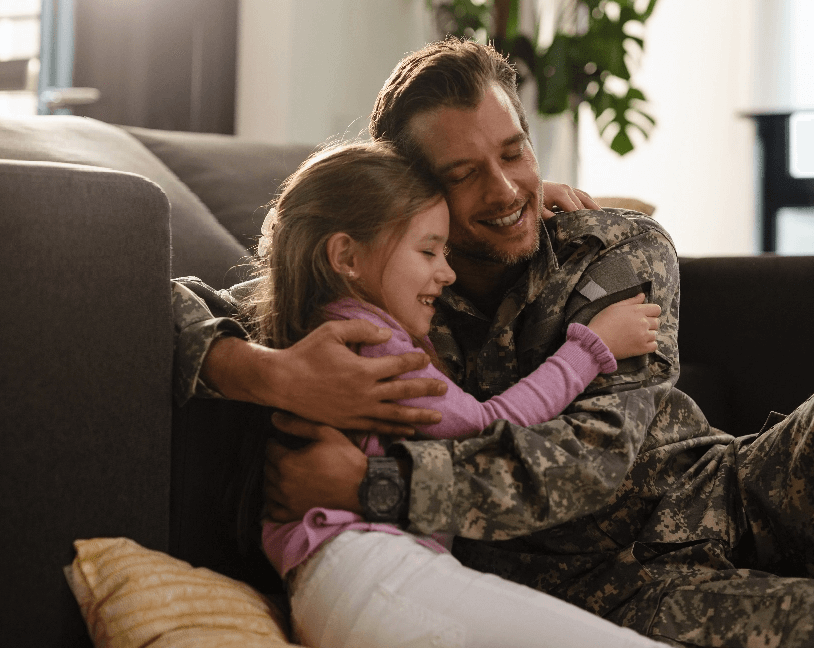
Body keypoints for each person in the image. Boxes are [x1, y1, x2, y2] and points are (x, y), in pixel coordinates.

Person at [174, 39, 814, 646]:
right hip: (611, 589)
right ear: (415, 192)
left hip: (727, 496)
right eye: (464, 174)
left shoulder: (616, 247)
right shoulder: (382, 296)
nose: (506, 190)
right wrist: (271, 376)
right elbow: (162, 303)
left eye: (514, 154)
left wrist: (373, 485)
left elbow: (590, 459)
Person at [238, 140, 663, 646]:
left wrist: (519, 210)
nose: (448, 272)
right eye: (428, 251)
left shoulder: (323, 325)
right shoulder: (370, 345)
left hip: (358, 573)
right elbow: (485, 424)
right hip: (366, 568)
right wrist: (590, 349)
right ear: (347, 256)